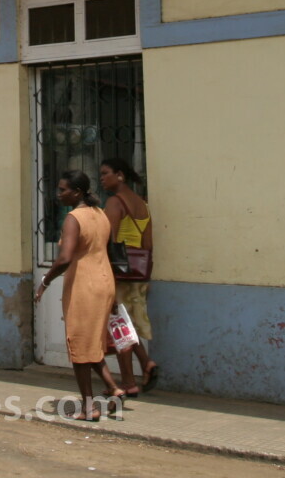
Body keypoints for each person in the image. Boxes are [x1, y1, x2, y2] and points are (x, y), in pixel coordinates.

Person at [34, 171, 120, 420]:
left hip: (85, 286)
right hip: (104, 282)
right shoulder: (100, 214)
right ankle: (114, 389)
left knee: (80, 346)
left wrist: (45, 281)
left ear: (77, 193)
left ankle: (89, 407)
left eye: (63, 190)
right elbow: (108, 252)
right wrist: (114, 296)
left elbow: (65, 258)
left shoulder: (74, 218)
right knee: (92, 343)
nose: (59, 194)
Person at [100, 157, 159, 394]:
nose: (102, 178)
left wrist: (106, 273)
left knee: (119, 325)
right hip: (138, 272)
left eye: (105, 173)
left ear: (120, 175)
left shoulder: (115, 202)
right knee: (129, 324)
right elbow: (148, 243)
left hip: (119, 272)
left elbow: (109, 241)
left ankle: (128, 382)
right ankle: (145, 363)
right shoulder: (142, 204)